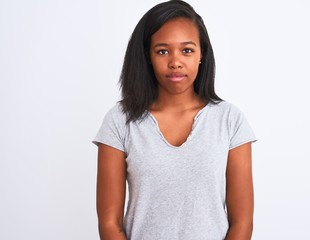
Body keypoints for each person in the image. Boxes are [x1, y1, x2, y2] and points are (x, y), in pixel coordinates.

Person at [93, 0, 257, 239]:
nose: (175, 61)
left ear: (202, 54)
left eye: (187, 50)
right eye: (162, 51)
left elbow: (242, 223)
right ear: (147, 56)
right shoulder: (120, 121)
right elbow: (109, 223)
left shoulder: (230, 120)